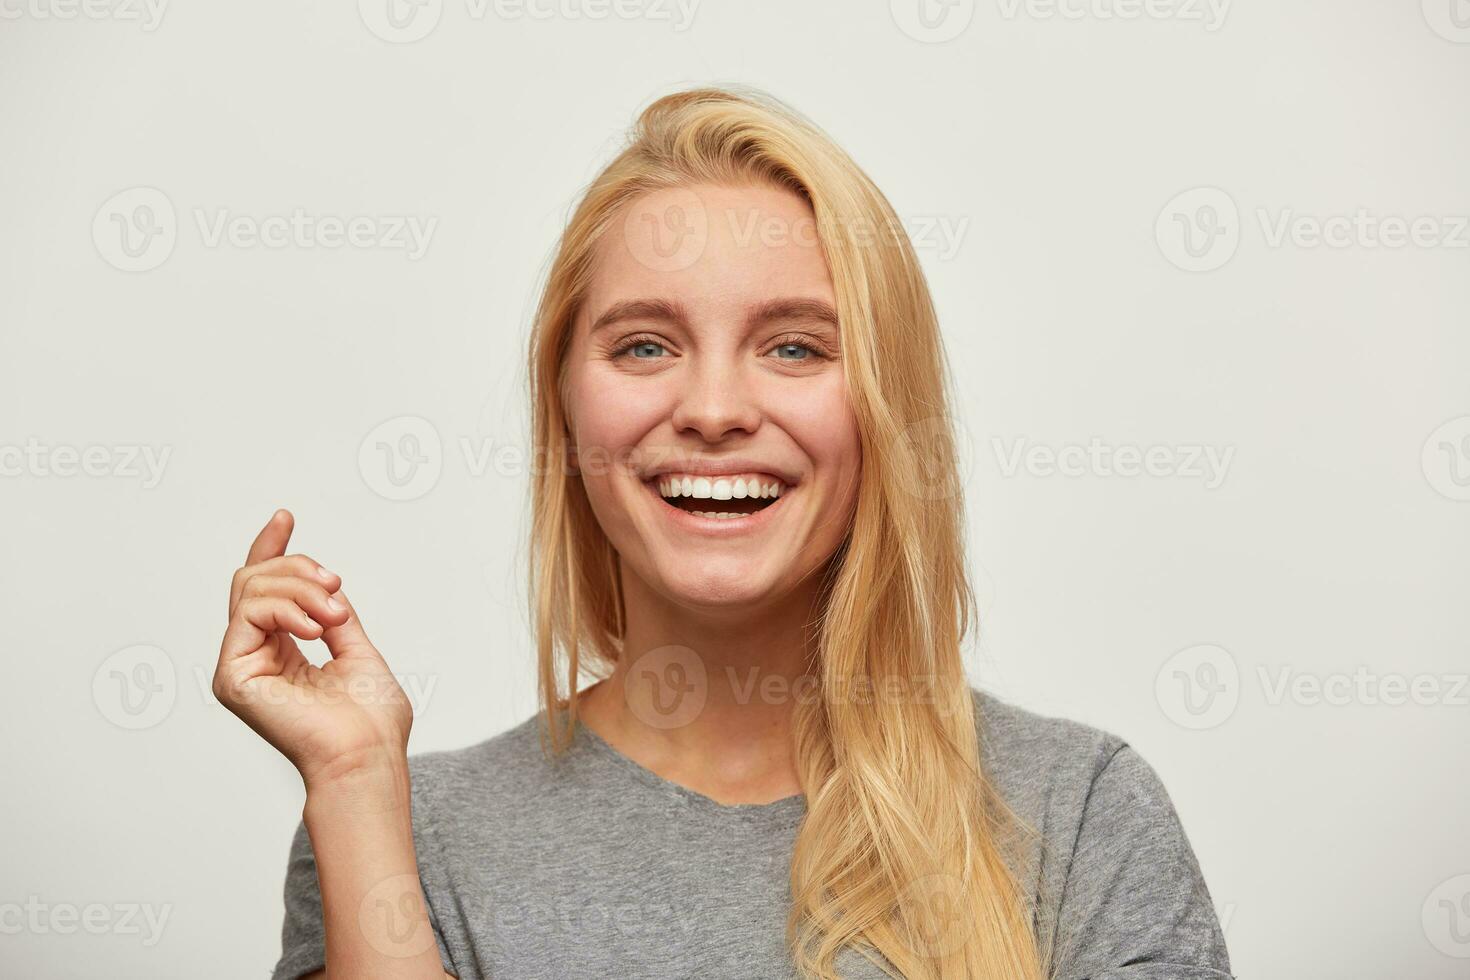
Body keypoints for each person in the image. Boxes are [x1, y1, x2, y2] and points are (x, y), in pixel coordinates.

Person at [214, 85, 1233, 980]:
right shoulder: (404, 830)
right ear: (566, 404)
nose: (711, 406)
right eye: (645, 344)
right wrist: (351, 784)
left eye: (794, 346)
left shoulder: (1082, 818)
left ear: (886, 404)